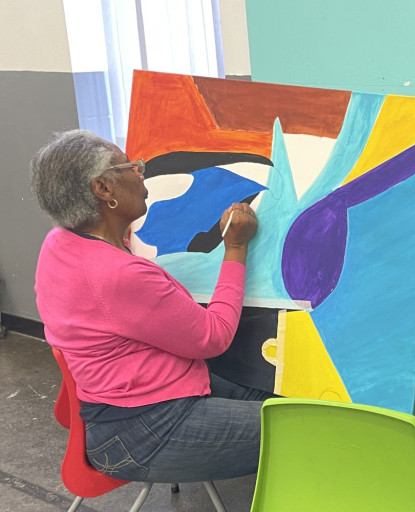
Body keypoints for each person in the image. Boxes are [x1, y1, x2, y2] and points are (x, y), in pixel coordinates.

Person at [32, 129, 272, 483]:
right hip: (145, 432)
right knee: (311, 428)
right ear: (103, 189)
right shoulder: (118, 275)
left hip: (124, 409)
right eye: (131, 167)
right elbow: (214, 336)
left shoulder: (59, 243)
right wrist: (235, 247)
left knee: (269, 395)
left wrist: (120, 232)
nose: (141, 172)